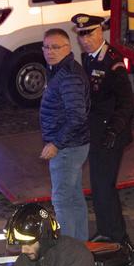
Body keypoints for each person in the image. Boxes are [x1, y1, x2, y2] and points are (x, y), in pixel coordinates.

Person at [71, 14, 134, 244]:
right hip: (96, 131)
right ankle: (106, 230)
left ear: (100, 32)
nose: (85, 40)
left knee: (104, 185)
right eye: (81, 35)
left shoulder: (113, 62)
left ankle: (116, 235)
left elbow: (126, 102)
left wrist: (114, 131)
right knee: (98, 185)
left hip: (111, 133)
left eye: (89, 34)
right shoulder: (88, 58)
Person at [39, 28, 91, 241]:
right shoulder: (60, 70)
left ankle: (68, 249)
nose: (49, 52)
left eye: (55, 47)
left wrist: (56, 144)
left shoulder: (68, 76)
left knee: (62, 201)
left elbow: (77, 116)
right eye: (46, 47)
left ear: (68, 48)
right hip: (73, 145)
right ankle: (79, 244)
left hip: (68, 147)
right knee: (74, 198)